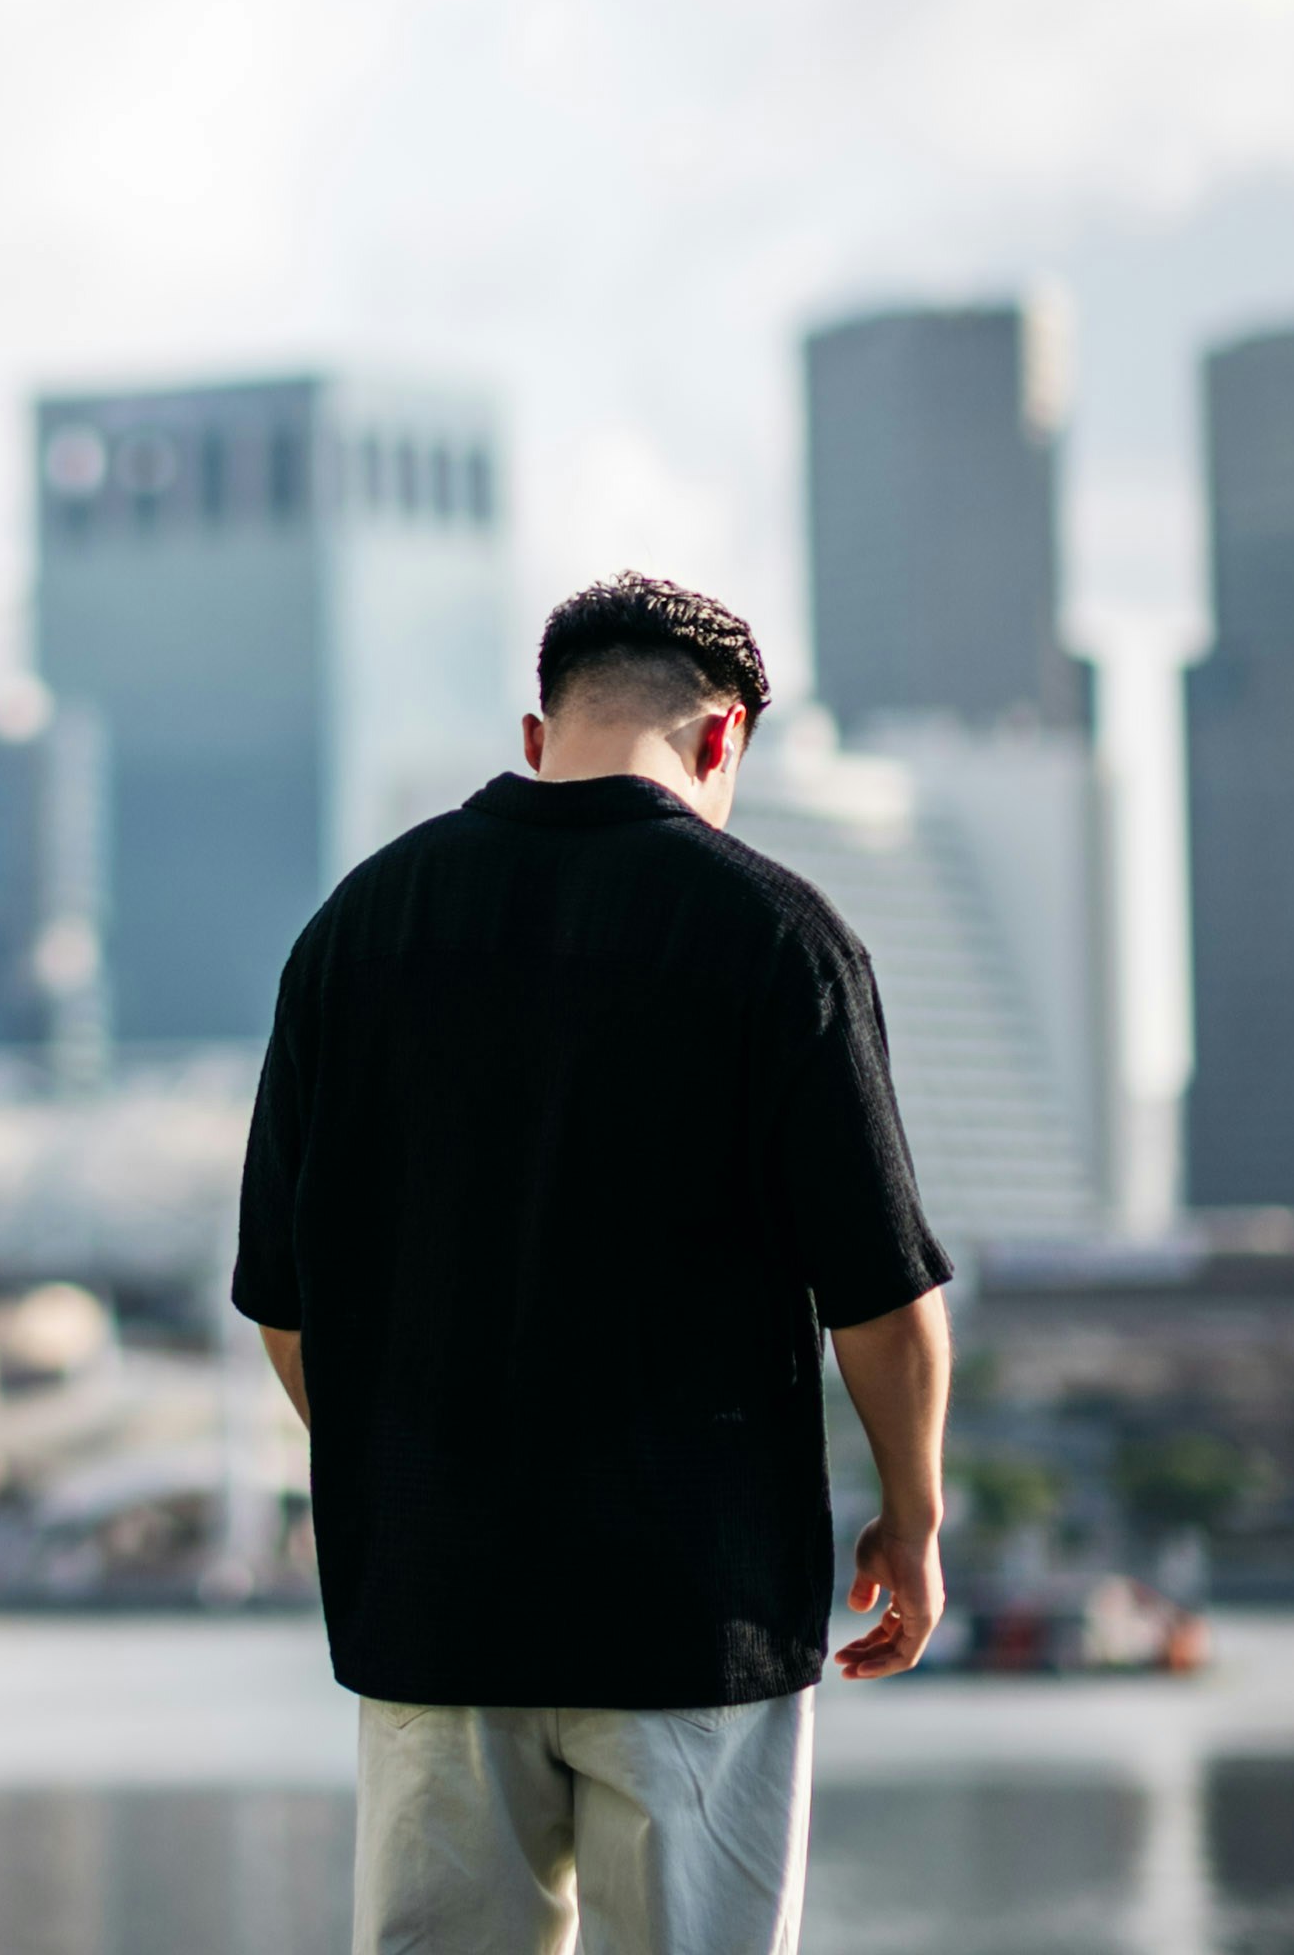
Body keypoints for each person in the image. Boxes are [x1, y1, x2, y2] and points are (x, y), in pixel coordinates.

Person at [233, 569, 954, 1954]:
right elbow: (883, 1299)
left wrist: (415, 1461)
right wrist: (911, 1521)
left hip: (435, 1613)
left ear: (535, 732)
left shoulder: (353, 936)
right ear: (725, 739)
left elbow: (286, 1310)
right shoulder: (777, 939)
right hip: (696, 1614)